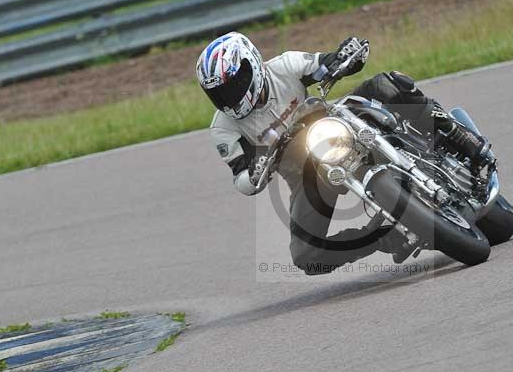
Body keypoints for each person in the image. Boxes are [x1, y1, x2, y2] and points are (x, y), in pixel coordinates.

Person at [197, 32, 490, 275]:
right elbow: (241, 179)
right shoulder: (223, 128)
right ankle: (384, 237)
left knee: (387, 84)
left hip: (338, 123)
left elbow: (323, 65)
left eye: (234, 83)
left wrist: (346, 56)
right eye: (220, 92)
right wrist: (257, 170)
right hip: (305, 172)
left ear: (253, 64)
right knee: (306, 256)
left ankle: (461, 138)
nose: (230, 95)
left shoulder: (284, 67)